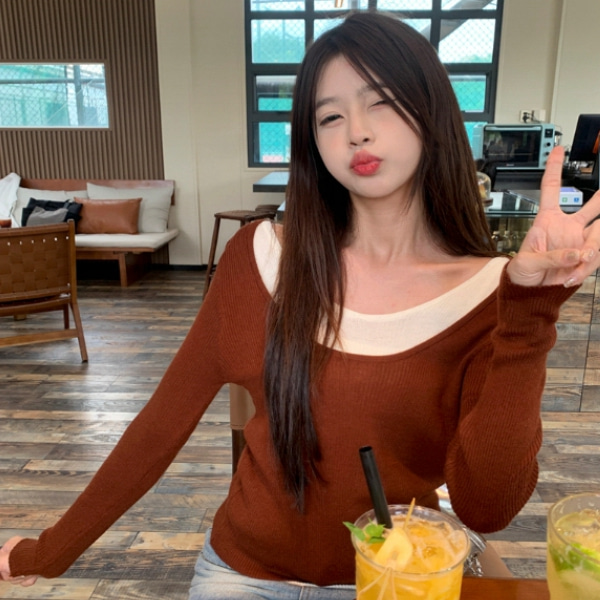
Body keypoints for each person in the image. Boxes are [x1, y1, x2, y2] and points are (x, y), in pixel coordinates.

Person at [2, 11, 600, 599]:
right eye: (330, 116)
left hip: (398, 575)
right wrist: (51, 551)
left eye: (381, 102)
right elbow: (161, 425)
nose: (356, 132)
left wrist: (531, 311)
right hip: (245, 574)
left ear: (431, 111)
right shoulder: (259, 259)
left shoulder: (492, 291)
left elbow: (488, 507)